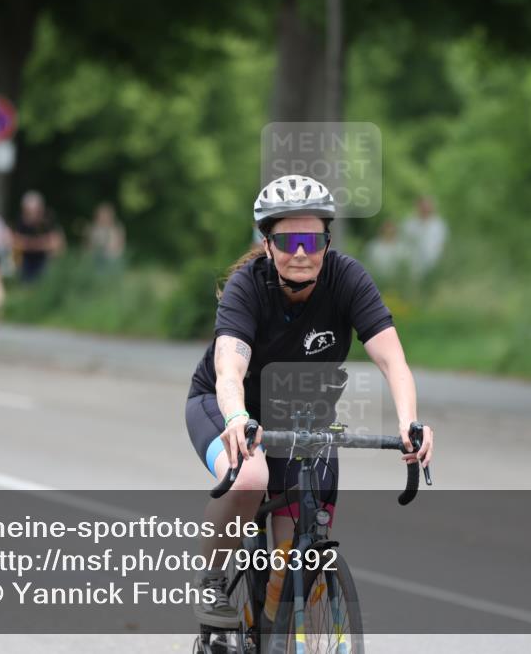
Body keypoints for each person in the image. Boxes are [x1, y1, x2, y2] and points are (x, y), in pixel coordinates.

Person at [184, 174, 434, 628]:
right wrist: (239, 418)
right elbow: (229, 369)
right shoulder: (247, 287)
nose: (301, 251)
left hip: (302, 420)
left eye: (312, 239)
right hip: (224, 406)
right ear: (268, 244)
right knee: (250, 476)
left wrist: (410, 424)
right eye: (287, 240)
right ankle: (214, 581)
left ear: (327, 240)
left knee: (291, 563)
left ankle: (276, 626)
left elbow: (393, 360)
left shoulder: (347, 278)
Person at [12, 191, 64, 283]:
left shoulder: (48, 219)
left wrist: (30, 243)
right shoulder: (20, 220)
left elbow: (55, 242)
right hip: (26, 259)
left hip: (44, 258)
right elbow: (16, 241)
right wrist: (39, 243)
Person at [399, 196, 447, 278]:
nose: (425, 209)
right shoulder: (409, 223)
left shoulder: (439, 225)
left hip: (434, 263)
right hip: (413, 265)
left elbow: (443, 245)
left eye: (427, 207)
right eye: (422, 206)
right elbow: (403, 243)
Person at [85, 202, 125, 268]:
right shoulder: (93, 228)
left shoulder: (116, 228)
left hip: (111, 257)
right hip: (95, 257)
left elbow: (118, 245)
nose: (102, 217)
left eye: (105, 215)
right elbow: (88, 245)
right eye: (100, 215)